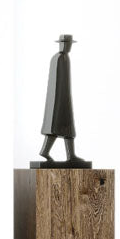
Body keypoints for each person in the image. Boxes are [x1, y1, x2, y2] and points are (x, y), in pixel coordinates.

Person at [39, 35, 90, 166]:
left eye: (69, 44)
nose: (68, 46)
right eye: (66, 44)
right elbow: (61, 82)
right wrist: (63, 101)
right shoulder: (62, 58)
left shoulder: (56, 58)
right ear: (61, 44)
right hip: (62, 100)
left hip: (58, 101)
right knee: (65, 129)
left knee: (59, 129)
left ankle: (51, 152)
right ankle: (69, 155)